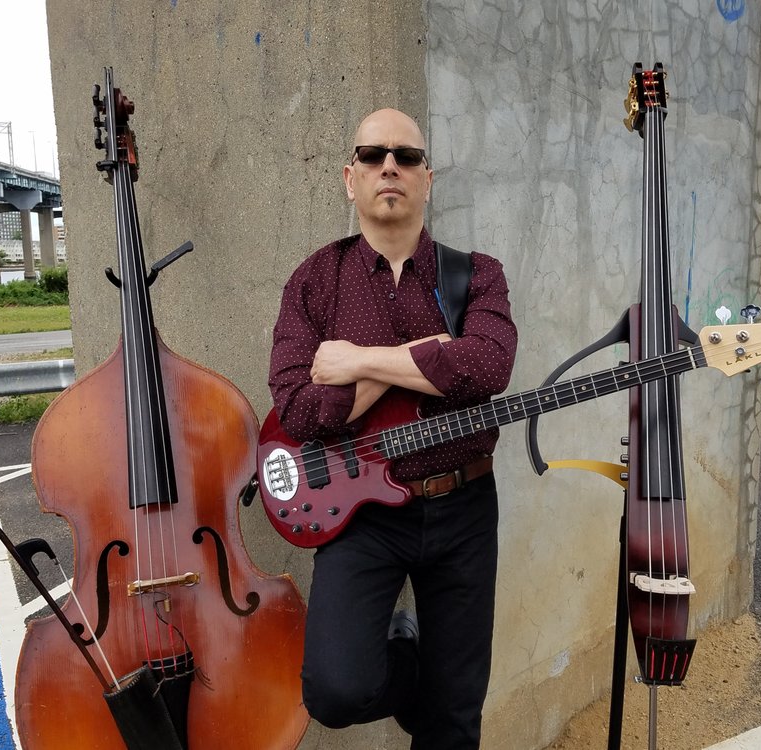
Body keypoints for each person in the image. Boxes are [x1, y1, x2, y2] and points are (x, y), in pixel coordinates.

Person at [267, 107, 517, 749]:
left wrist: (354, 362)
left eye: (406, 157)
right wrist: (420, 360)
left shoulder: (475, 274)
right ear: (349, 178)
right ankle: (411, 665)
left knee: (456, 718)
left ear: (427, 179)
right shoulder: (316, 281)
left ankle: (438, 695)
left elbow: (487, 367)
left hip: (464, 504)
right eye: (374, 156)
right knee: (336, 689)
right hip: (363, 519)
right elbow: (296, 407)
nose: (390, 167)